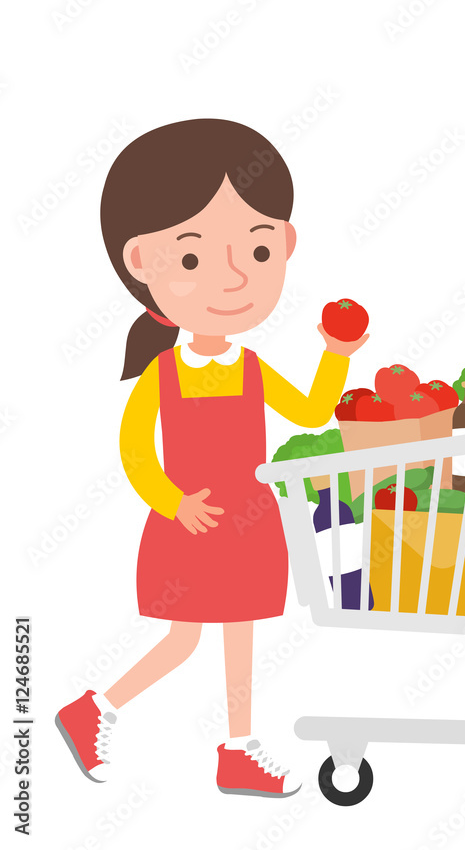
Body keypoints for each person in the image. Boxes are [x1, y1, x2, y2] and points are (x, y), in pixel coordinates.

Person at [56, 119, 368, 797]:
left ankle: (235, 750)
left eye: (256, 252)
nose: (233, 279)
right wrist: (174, 502)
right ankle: (94, 710)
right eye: (192, 260)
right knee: (184, 641)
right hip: (194, 526)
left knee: (238, 639)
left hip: (249, 526)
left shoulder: (252, 367)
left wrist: (336, 357)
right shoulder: (161, 377)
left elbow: (313, 412)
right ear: (144, 263)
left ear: (284, 245)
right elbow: (135, 449)